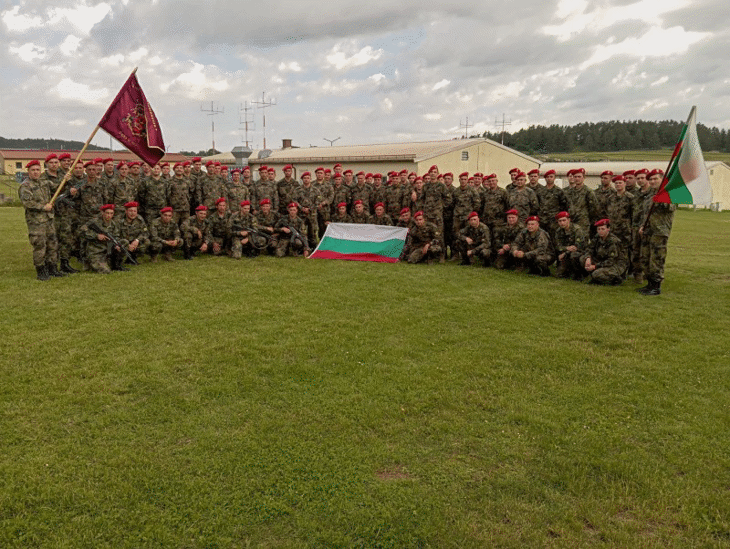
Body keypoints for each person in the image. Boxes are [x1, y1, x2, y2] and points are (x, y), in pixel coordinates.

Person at [19, 159, 63, 280]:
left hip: (49, 220)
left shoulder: (44, 183)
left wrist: (66, 178)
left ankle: (52, 268)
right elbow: (28, 203)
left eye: (38, 170)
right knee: (40, 246)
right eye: (33, 170)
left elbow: (58, 187)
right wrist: (43, 207)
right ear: (28, 171)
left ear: (41, 171)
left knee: (52, 244)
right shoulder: (25, 186)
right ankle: (41, 270)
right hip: (36, 222)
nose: (35, 172)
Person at [637, 169, 675, 295]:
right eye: (651, 179)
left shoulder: (667, 193)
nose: (653, 181)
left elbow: (671, 207)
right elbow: (645, 213)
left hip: (659, 231)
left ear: (662, 179)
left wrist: (660, 200)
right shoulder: (649, 194)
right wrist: (642, 226)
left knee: (656, 259)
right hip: (648, 231)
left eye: (656, 179)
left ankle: (656, 286)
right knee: (645, 258)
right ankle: (649, 284)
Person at [82, 204, 129, 273]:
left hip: (107, 251)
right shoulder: (94, 222)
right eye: (107, 213)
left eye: (111, 213)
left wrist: (117, 245)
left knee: (124, 242)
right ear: (102, 213)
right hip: (96, 252)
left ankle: (116, 264)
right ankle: (89, 263)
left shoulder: (113, 223)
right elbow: (82, 230)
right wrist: (96, 235)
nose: (109, 215)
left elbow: (116, 236)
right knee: (106, 271)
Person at [581, 219, 627, 285]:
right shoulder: (597, 237)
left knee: (596, 274)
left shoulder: (613, 241)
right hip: (602, 260)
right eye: (599, 229)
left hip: (616, 264)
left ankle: (615, 279)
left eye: (603, 229)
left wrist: (594, 266)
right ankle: (595, 276)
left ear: (608, 229)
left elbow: (611, 261)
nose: (600, 231)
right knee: (583, 259)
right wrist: (588, 258)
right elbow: (589, 248)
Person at [553, 211, 588, 280]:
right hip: (567, 253)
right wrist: (567, 248)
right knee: (559, 274)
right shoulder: (558, 231)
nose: (562, 223)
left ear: (568, 220)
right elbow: (558, 246)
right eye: (560, 221)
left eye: (564, 220)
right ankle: (569, 271)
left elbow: (578, 247)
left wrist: (565, 252)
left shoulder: (577, 230)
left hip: (581, 253)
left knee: (574, 255)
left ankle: (580, 273)